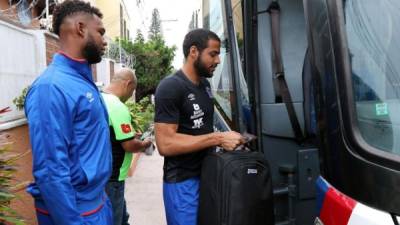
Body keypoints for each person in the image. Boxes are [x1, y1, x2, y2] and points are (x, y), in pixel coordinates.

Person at [24, 1, 112, 224]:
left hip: (97, 203)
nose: (105, 41)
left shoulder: (81, 80)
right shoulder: (51, 88)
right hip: (76, 213)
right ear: (81, 28)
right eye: (100, 32)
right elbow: (51, 170)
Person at [154, 28, 245, 225]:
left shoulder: (205, 85)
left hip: (207, 177)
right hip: (182, 184)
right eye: (213, 54)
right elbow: (165, 144)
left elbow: (200, 128)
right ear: (193, 52)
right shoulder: (171, 87)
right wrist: (218, 138)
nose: (218, 61)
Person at [101, 68, 152, 225]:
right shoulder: (117, 106)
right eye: (132, 91)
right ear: (128, 84)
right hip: (114, 177)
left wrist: (130, 135)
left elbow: (111, 134)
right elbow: (129, 146)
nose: (131, 96)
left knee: (122, 217)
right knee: (115, 219)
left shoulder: (99, 98)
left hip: (101, 174)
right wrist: (144, 144)